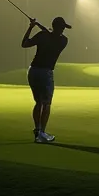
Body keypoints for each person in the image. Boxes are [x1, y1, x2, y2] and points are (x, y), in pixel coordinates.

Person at [22, 15, 70, 143]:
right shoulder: (63, 41)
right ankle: (42, 133)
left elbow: (24, 44)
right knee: (47, 103)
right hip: (46, 73)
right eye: (63, 28)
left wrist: (31, 27)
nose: (64, 30)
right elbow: (53, 36)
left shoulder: (42, 35)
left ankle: (37, 130)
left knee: (39, 102)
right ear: (61, 29)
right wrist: (41, 27)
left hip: (33, 71)